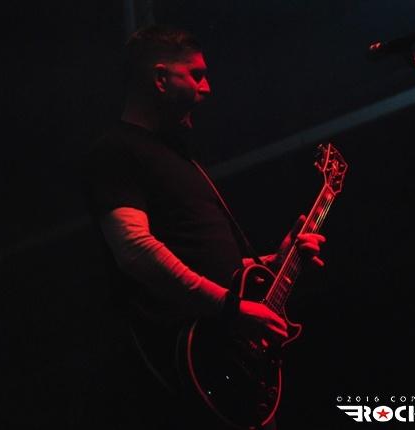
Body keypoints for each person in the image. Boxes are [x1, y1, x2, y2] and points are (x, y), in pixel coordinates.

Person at [80, 25, 326, 430]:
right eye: (196, 75)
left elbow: (203, 257)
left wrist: (273, 261)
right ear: (160, 79)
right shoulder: (116, 151)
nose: (207, 88)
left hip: (229, 358)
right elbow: (135, 250)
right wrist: (230, 308)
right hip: (189, 364)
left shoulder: (180, 156)